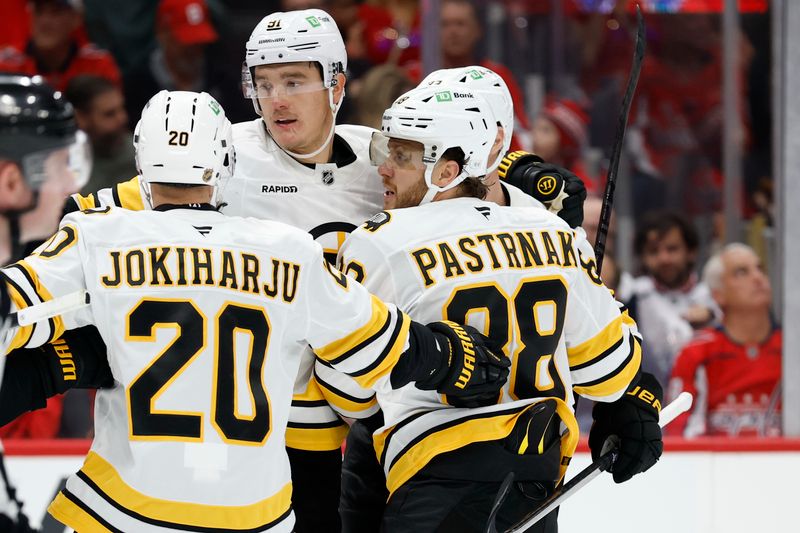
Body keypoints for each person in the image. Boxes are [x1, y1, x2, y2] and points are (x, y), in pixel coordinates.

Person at [0, 89, 507, 532]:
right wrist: (446, 355)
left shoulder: (98, 235)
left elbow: (11, 311)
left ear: (141, 164)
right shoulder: (285, 250)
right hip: (253, 512)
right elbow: (374, 337)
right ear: (225, 162)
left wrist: (53, 364)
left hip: (124, 508)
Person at [331, 85, 662, 532]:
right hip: (536, 483)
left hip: (432, 483)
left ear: (447, 171)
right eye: (385, 151)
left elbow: (346, 392)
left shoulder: (379, 240)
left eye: (403, 157)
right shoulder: (554, 233)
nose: (384, 169)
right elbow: (612, 374)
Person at [668, 243, 780, 437]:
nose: (758, 278)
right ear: (717, 295)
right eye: (741, 272)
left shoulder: (792, 348)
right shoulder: (695, 352)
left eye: (760, 269)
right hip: (713, 465)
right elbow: (678, 432)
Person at [618, 211, 719, 387]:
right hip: (650, 407)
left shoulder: (715, 297)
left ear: (691, 252)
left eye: (672, 249)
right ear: (643, 257)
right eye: (653, 251)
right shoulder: (632, 297)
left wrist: (712, 316)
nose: (664, 258)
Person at [123, 0, 220, 130]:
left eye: (199, 40)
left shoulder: (221, 79)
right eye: (187, 41)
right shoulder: (136, 86)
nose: (194, 49)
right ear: (162, 34)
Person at [0, 0, 121, 93]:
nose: (45, 21)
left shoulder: (98, 66)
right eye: (39, 11)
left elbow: (112, 122)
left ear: (76, 18)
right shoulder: (7, 66)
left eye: (55, 12)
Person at [65, 75, 137, 193]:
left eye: (122, 109)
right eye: (109, 114)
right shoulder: (65, 167)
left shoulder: (141, 154)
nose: (122, 119)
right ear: (80, 118)